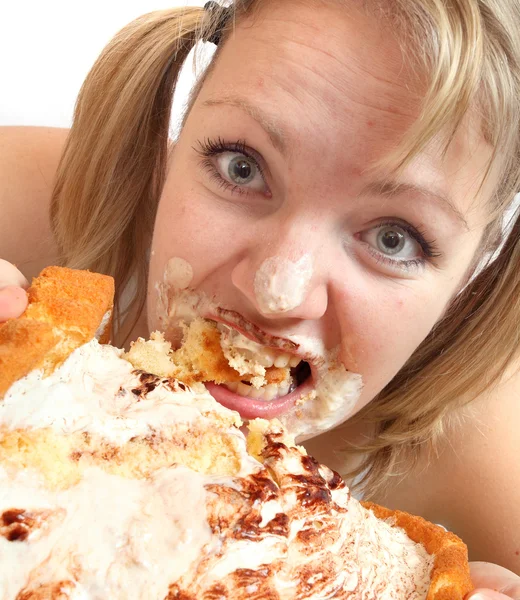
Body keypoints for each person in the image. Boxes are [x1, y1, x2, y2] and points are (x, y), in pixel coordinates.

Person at [1, 0, 519, 596]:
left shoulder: (488, 451)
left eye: (392, 238)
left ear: (473, 276)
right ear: (180, 130)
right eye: (242, 167)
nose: (280, 290)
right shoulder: (29, 204)